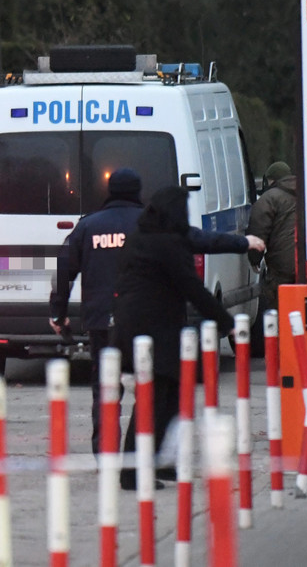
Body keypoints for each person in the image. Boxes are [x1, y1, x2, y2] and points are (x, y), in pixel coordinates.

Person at [50, 169, 264, 456]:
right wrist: (244, 242)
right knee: (153, 390)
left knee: (106, 391)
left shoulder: (88, 226)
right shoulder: (151, 224)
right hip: (147, 321)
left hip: (102, 320)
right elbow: (201, 239)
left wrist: (58, 311)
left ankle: (106, 454)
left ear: (109, 190)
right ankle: (149, 452)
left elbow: (64, 269)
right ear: (138, 190)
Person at [112, 186, 234, 491]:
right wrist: (226, 322)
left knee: (171, 394)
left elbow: (202, 240)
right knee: (155, 399)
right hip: (152, 329)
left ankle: (157, 462)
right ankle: (132, 471)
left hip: (142, 325)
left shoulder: (147, 236)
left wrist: (243, 242)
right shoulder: (166, 244)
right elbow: (192, 288)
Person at [247, 161, 297, 358]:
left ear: (272, 179)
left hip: (282, 268)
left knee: (280, 311)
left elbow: (258, 231)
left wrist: (254, 258)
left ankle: (286, 357)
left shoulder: (269, 198)